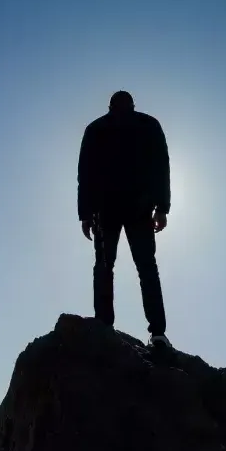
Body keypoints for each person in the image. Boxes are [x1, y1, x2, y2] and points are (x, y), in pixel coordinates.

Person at [77, 90, 172, 347]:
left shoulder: (97, 128)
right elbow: (161, 166)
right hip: (127, 209)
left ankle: (107, 325)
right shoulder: (147, 124)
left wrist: (85, 213)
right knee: (142, 268)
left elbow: (85, 174)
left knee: (110, 267)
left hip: (114, 209)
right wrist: (162, 207)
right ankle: (156, 333)